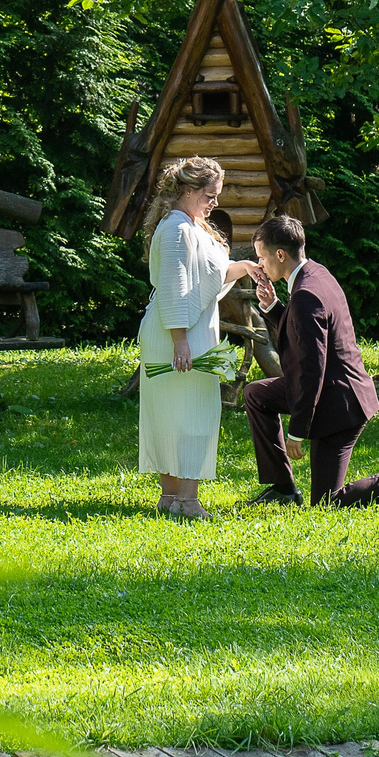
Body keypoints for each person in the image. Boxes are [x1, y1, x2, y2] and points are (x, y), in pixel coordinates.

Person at [238, 215, 379, 507]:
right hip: (329, 390)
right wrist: (272, 306)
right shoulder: (315, 273)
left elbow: (312, 370)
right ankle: (283, 489)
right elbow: (304, 331)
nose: (259, 265)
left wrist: (297, 431)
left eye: (262, 257)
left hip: (339, 403)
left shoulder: (306, 294)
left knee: (328, 502)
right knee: (257, 394)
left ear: (280, 255)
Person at [137, 157, 259, 521]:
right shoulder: (175, 229)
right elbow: (175, 289)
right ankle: (183, 500)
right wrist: (180, 342)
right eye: (209, 194)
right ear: (187, 190)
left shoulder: (194, 226)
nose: (215, 202)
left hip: (189, 329)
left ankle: (173, 497)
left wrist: (248, 267)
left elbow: (211, 277)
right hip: (177, 333)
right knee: (187, 415)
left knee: (181, 414)